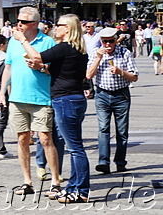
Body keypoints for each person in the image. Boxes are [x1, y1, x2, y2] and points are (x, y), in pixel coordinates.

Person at [0, 7, 61, 198]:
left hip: (41, 98)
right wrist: (2, 94)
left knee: (45, 139)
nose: (18, 25)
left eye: (22, 22)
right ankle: (27, 181)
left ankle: (55, 181)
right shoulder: (13, 42)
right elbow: (8, 68)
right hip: (17, 98)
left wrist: (41, 67)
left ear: (33, 24)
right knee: (22, 139)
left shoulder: (47, 41)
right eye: (18, 21)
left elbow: (52, 70)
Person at [24, 14, 90, 203]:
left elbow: (35, 55)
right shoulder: (78, 50)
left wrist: (22, 41)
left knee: (75, 148)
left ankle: (81, 191)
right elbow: (62, 72)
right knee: (74, 146)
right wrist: (44, 68)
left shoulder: (64, 47)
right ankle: (73, 187)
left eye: (59, 25)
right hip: (74, 98)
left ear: (68, 28)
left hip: (66, 100)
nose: (55, 28)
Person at [86, 27, 138, 175]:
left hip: (121, 95)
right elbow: (89, 75)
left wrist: (120, 72)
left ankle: (120, 162)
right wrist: (98, 58)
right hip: (102, 94)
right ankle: (103, 162)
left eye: (110, 41)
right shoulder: (95, 53)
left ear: (116, 41)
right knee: (103, 129)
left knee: (121, 131)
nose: (107, 45)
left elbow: (134, 77)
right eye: (104, 42)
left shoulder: (124, 53)